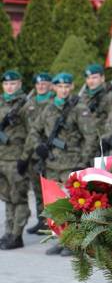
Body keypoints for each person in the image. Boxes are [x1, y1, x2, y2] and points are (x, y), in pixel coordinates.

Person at [23, 72, 98, 255]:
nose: (63, 90)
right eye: (60, 87)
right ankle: (62, 239)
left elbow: (91, 137)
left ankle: (75, 242)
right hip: (51, 165)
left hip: (72, 165)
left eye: (67, 86)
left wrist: (82, 162)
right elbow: (34, 131)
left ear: (71, 87)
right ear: (54, 88)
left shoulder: (79, 108)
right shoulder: (48, 109)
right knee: (56, 206)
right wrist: (38, 146)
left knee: (73, 205)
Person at [0, 70, 31, 250]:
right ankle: (9, 232)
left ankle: (17, 235)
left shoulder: (25, 106)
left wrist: (25, 157)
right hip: (1, 159)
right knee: (7, 198)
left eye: (13, 83)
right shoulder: (1, 102)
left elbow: (32, 133)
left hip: (16, 159)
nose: (9, 87)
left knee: (18, 198)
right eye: (6, 84)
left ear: (19, 84)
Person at [24, 72, 55, 234]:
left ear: (50, 85)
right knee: (37, 189)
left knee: (49, 189)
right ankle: (41, 220)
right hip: (33, 152)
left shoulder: (54, 102)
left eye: (44, 83)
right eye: (38, 84)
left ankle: (53, 223)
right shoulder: (30, 103)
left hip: (49, 153)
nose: (41, 86)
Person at [80, 63, 112, 134]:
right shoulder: (82, 97)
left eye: (94, 77)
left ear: (102, 78)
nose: (91, 81)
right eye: (88, 78)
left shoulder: (110, 96)